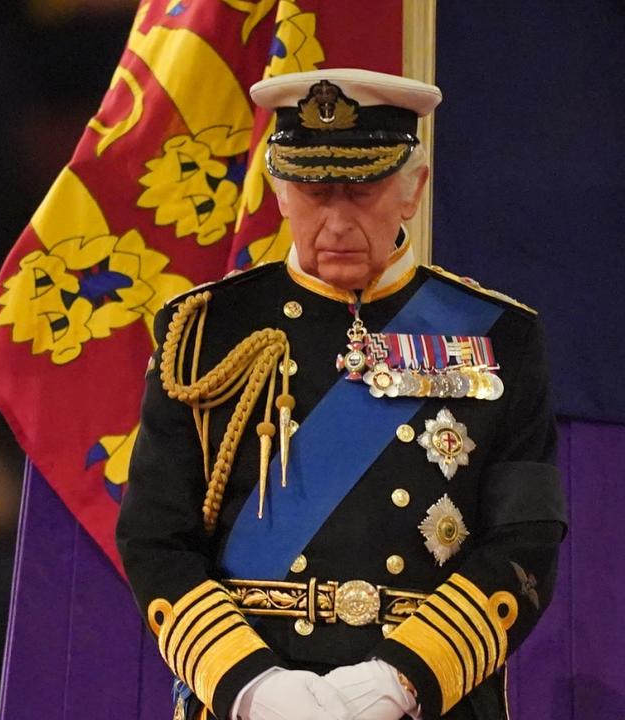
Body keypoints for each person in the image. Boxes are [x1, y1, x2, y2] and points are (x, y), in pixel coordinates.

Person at [116, 68, 566, 720]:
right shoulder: (204, 334)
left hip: (425, 699)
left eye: (361, 189)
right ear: (279, 192)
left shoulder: (500, 336)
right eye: (313, 190)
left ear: (413, 189)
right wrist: (251, 685)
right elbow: (155, 539)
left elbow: (527, 544)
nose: (335, 218)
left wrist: (401, 680)